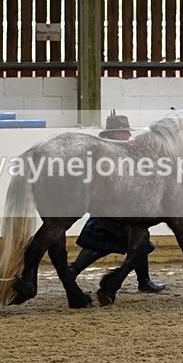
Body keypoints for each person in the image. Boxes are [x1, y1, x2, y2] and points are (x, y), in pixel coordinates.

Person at [65, 111, 166, 293]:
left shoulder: (121, 152)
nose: (128, 135)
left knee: (137, 240)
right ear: (115, 134)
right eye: (124, 132)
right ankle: (72, 271)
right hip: (112, 208)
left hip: (121, 208)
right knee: (106, 245)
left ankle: (144, 281)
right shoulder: (109, 154)